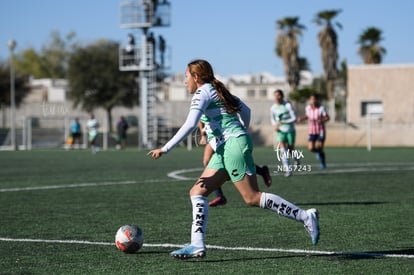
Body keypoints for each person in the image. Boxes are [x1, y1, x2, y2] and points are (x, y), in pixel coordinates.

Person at [148, 59, 320, 259]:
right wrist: (238, 132)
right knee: (197, 192)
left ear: (196, 77)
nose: (185, 81)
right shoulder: (216, 90)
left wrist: (165, 148)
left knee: (251, 197)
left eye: (186, 76)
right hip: (227, 147)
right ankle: (197, 245)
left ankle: (305, 216)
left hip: (232, 146)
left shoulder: (202, 92)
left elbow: (189, 124)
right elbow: (246, 111)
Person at [198, 120, 272, 207]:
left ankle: (262, 171)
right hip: (214, 134)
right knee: (207, 161)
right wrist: (203, 132)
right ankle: (220, 196)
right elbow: (201, 117)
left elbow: (242, 110)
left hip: (226, 133)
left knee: (251, 197)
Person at [270, 89, 299, 177]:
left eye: (278, 95)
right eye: (275, 95)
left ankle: (296, 159)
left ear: (282, 96)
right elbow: (272, 119)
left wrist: (283, 122)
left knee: (290, 149)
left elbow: (294, 118)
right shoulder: (273, 107)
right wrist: (275, 125)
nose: (277, 97)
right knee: (283, 149)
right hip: (280, 131)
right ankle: (288, 170)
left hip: (290, 130)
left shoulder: (288, 105)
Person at [297, 94, 330, 168]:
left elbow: (327, 117)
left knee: (320, 147)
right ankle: (318, 152)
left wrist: (321, 120)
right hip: (312, 131)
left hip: (320, 130)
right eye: (311, 99)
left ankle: (323, 162)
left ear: (317, 100)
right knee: (311, 148)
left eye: (314, 99)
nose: (313, 101)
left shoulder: (321, 108)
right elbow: (308, 116)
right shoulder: (308, 108)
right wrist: (301, 119)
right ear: (310, 100)